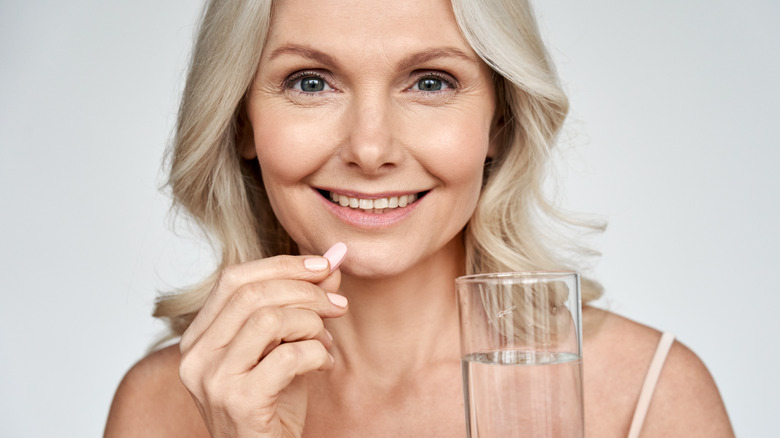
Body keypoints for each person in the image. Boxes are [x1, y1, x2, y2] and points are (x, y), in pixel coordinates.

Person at [104, 0, 735, 436]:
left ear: (500, 121)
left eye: (430, 82)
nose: (371, 150)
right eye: (310, 82)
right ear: (242, 121)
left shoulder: (648, 396)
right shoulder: (164, 407)